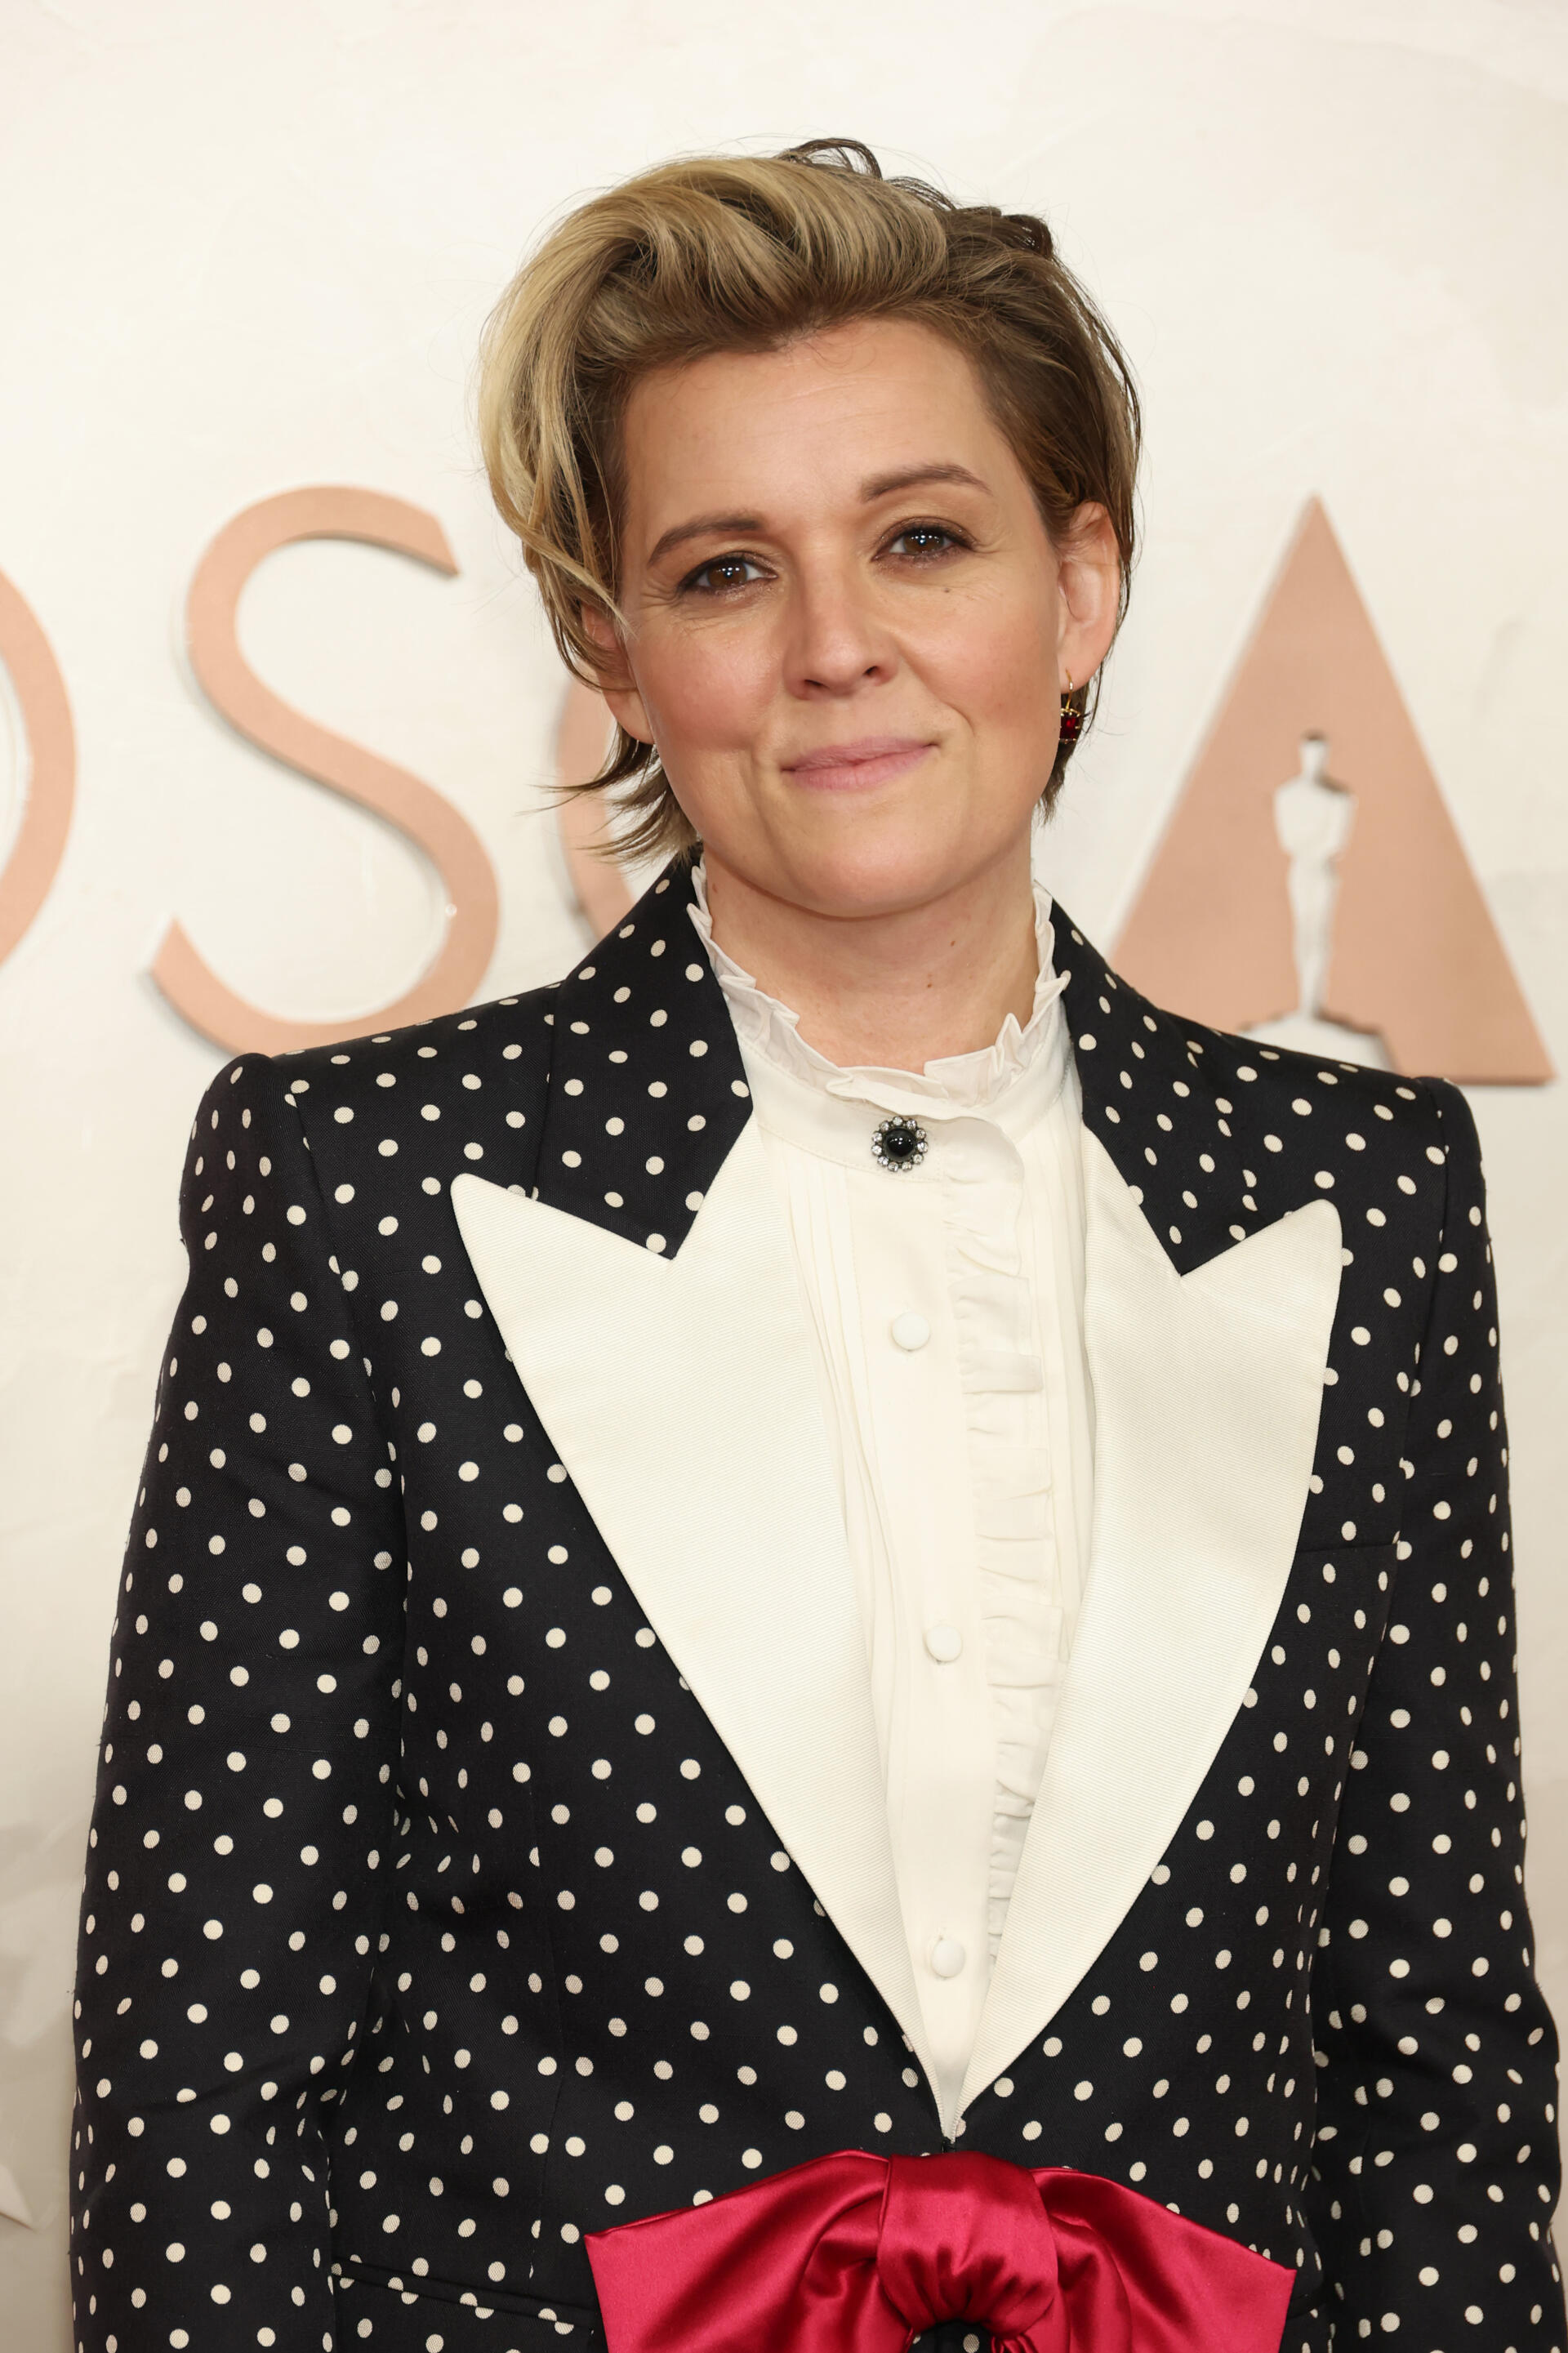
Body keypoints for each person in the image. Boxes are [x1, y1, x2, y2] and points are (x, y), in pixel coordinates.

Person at [70, 140, 1562, 2353]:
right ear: (613, 643)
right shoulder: (363, 1189)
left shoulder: (1367, 1194)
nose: (838, 646)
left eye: (922, 539)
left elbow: (1432, 2049)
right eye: (725, 569)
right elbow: (204, 2089)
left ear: (1077, 591)